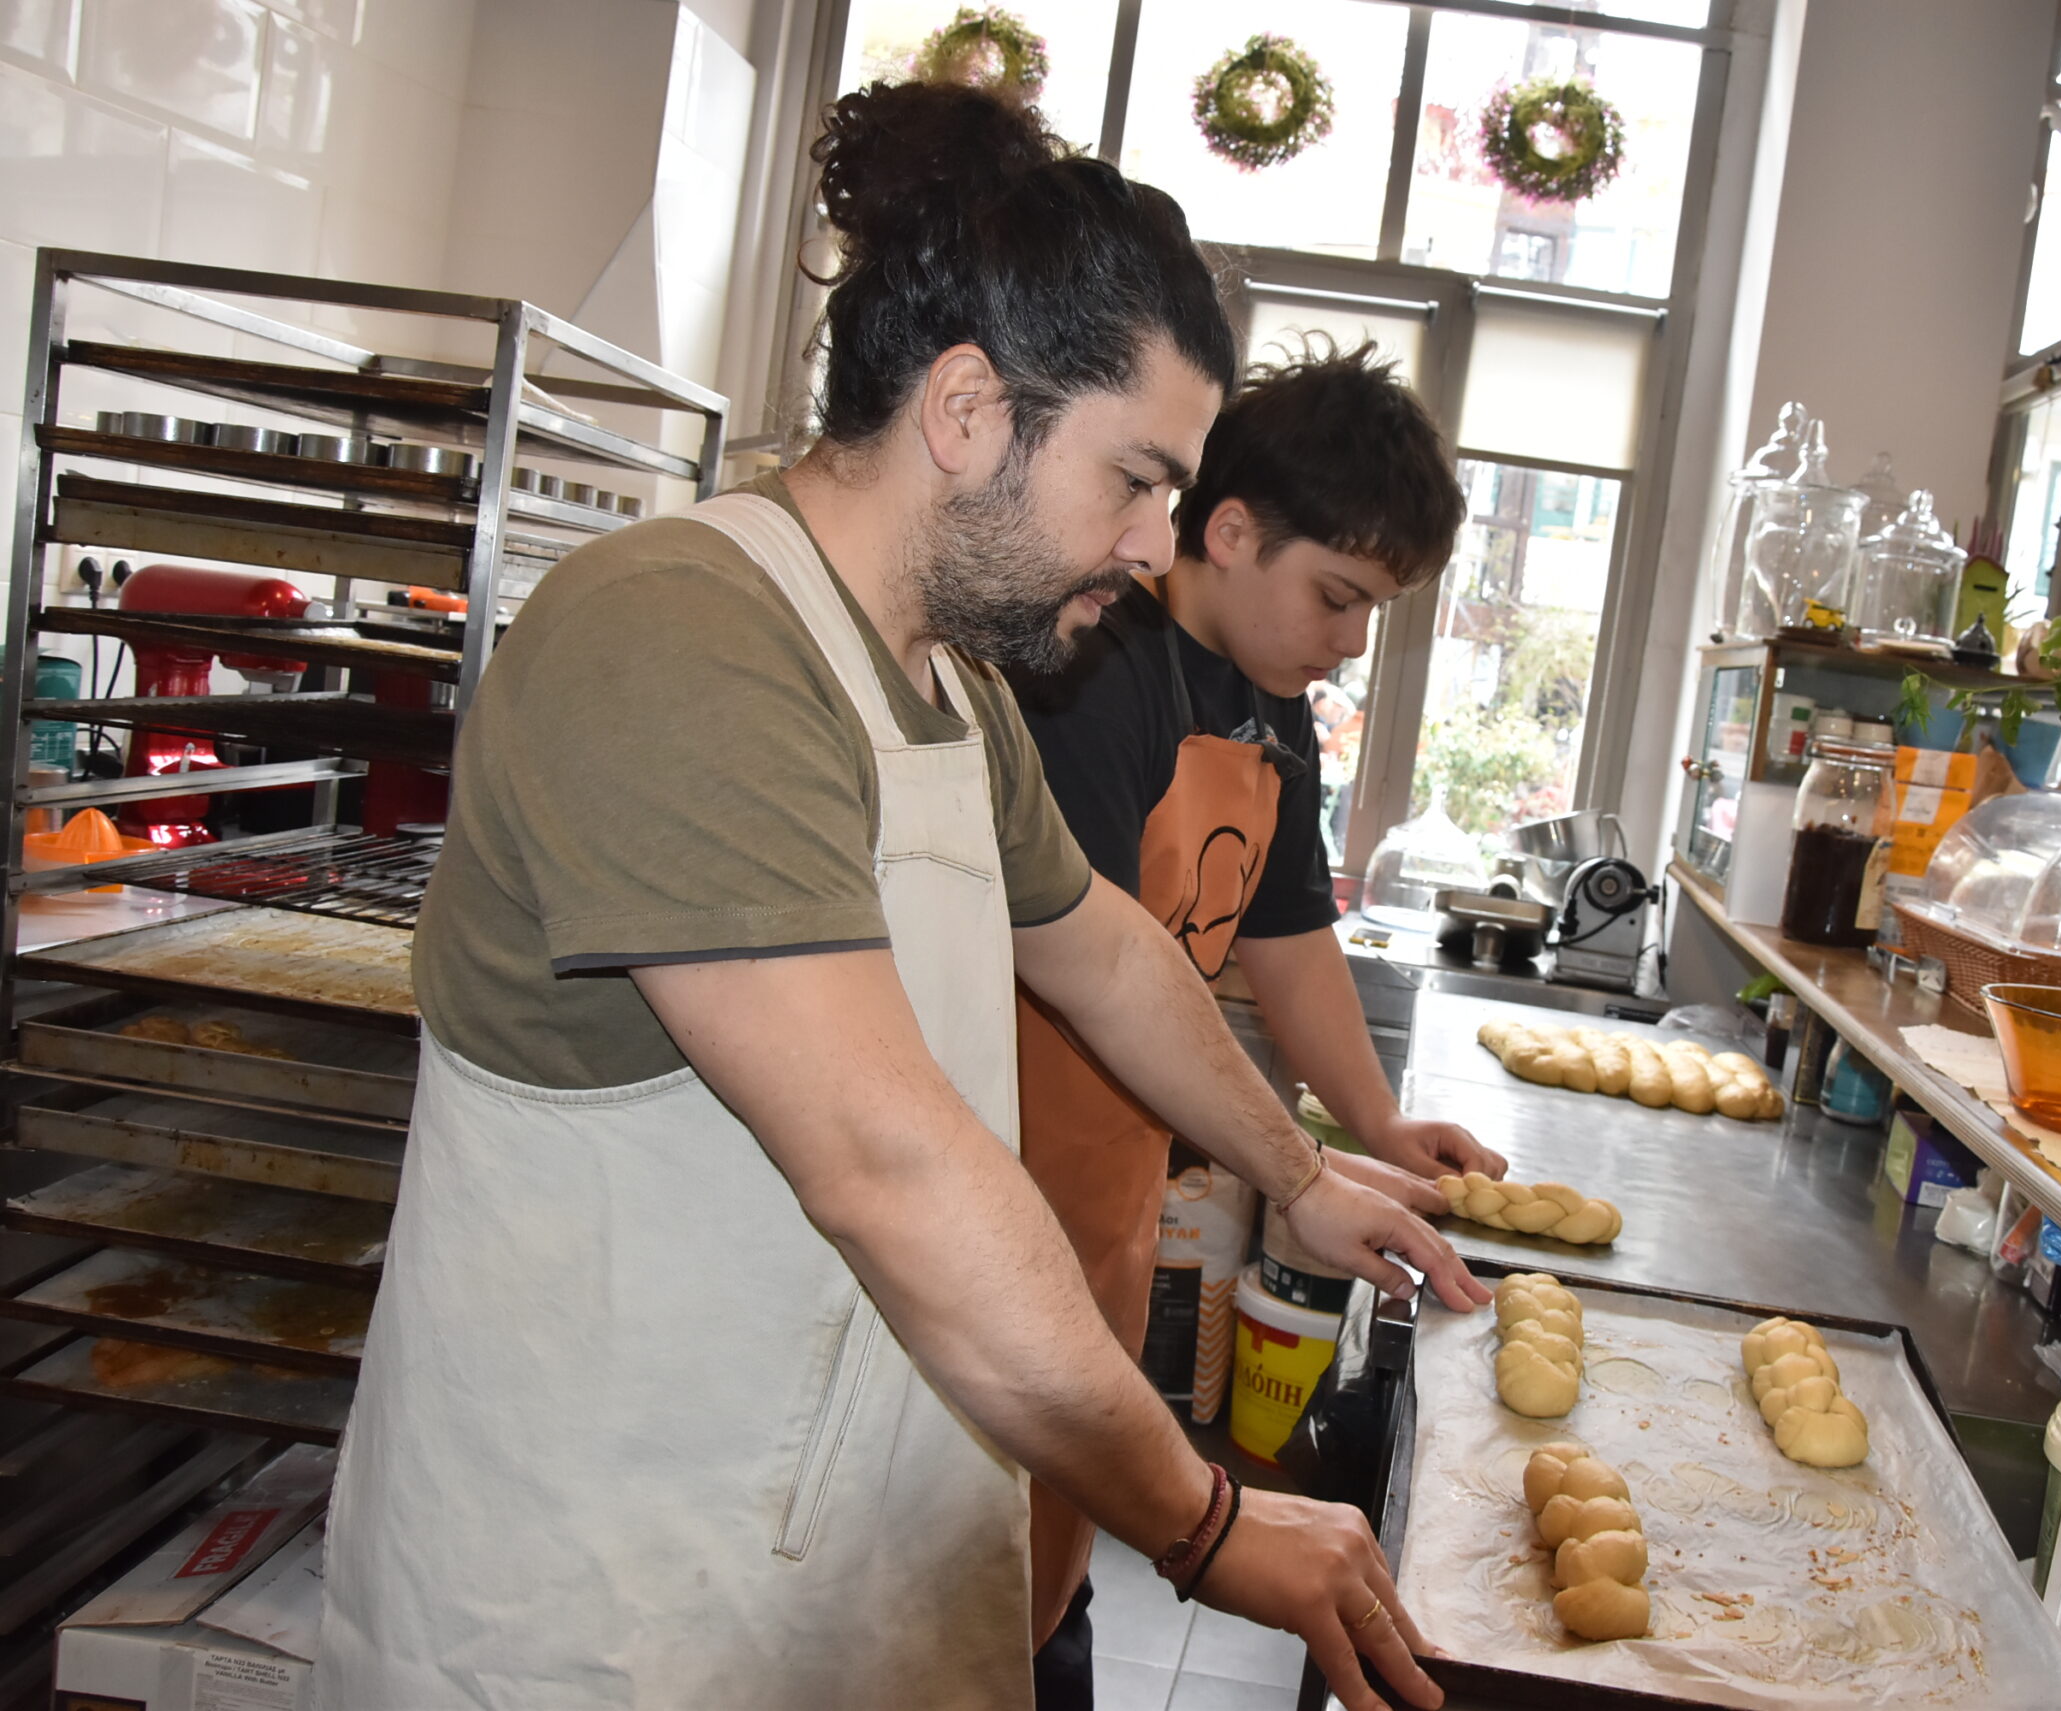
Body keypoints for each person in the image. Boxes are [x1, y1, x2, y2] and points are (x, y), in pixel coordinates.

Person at [314, 84, 1484, 1711]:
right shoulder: (679, 639)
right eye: (1135, 480)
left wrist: (1298, 1177)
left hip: (828, 1573)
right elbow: (890, 1168)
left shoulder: (951, 690)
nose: (1157, 547)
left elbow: (1111, 962)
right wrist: (1205, 1525)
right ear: (964, 409)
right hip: (608, 1604)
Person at [1005, 341, 1506, 1702]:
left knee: (1049, 1565)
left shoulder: (1271, 719)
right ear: (1227, 532)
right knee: (975, 1574)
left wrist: (1379, 1125)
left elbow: (1289, 945)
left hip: (1105, 1202)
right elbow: (1094, 969)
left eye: (1374, 616)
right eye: (1338, 599)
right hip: (998, 1189)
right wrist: (1294, 1169)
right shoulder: (1097, 671)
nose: (1351, 644)